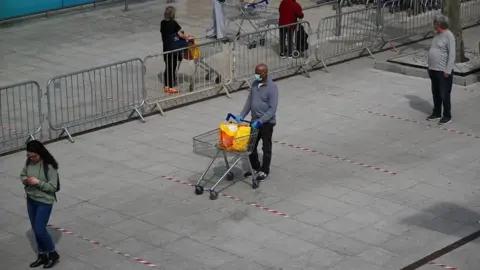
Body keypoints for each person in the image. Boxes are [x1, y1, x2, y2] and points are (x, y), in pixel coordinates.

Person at [235, 64, 278, 181]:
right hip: (254, 121)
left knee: (266, 147)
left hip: (266, 123)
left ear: (265, 73)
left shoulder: (272, 87)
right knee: (251, 146)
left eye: (259, 73)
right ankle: (255, 166)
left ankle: (265, 170)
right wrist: (241, 115)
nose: (256, 75)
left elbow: (272, 109)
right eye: (255, 72)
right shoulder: (254, 84)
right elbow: (249, 102)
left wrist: (261, 121)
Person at [21, 140, 60, 268]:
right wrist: (25, 180)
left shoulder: (49, 166)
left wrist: (38, 182)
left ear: (40, 153)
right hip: (31, 199)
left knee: (39, 229)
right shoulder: (29, 162)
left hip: (44, 201)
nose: (31, 159)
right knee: (36, 229)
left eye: (34, 156)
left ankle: (53, 253)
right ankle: (42, 254)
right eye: (29, 156)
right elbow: (22, 174)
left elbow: (53, 187)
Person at [427, 14, 455, 125]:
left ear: (439, 24)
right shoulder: (437, 35)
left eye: (434, 23)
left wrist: (448, 70)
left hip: (443, 70)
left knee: (444, 94)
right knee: (436, 92)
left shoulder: (449, 36)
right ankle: (437, 112)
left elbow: (452, 54)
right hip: (433, 69)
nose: (433, 25)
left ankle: (447, 115)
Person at [160, 6, 191, 94]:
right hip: (173, 49)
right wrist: (188, 37)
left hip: (166, 49)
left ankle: (166, 86)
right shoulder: (173, 23)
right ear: (172, 15)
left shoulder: (162, 23)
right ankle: (171, 87)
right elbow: (181, 35)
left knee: (167, 68)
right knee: (172, 68)